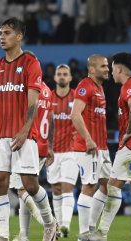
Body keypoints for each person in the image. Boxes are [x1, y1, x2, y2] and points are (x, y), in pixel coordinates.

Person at [0, 17, 57, 241]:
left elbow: (34, 102)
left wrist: (24, 130)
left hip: (23, 136)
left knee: (30, 185)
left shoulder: (31, 63)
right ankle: (2, 234)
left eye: (7, 32)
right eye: (1, 32)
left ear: (19, 36)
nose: (2, 36)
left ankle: (50, 223)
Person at [88, 52, 131, 241]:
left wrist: (129, 130)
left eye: (112, 68)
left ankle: (101, 233)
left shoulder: (129, 86)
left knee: (112, 187)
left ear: (119, 69)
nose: (111, 72)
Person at [71, 54, 111, 241]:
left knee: (108, 185)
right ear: (92, 69)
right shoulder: (85, 86)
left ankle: (92, 229)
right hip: (89, 147)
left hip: (101, 147)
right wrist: (87, 138)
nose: (107, 69)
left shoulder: (100, 88)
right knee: (89, 185)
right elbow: (75, 114)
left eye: (108, 66)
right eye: (103, 66)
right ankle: (83, 234)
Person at [11, 51, 50, 241]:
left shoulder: (28, 90)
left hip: (29, 142)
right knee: (23, 193)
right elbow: (49, 119)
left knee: (22, 190)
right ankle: (23, 235)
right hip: (42, 144)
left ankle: (49, 224)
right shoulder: (47, 90)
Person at [48, 64, 78, 238]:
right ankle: (58, 227)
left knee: (67, 187)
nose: (62, 76)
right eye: (59, 74)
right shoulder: (48, 98)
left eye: (65, 74)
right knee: (56, 189)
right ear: (55, 78)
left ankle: (65, 225)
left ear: (70, 78)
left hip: (71, 151)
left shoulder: (76, 98)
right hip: (52, 152)